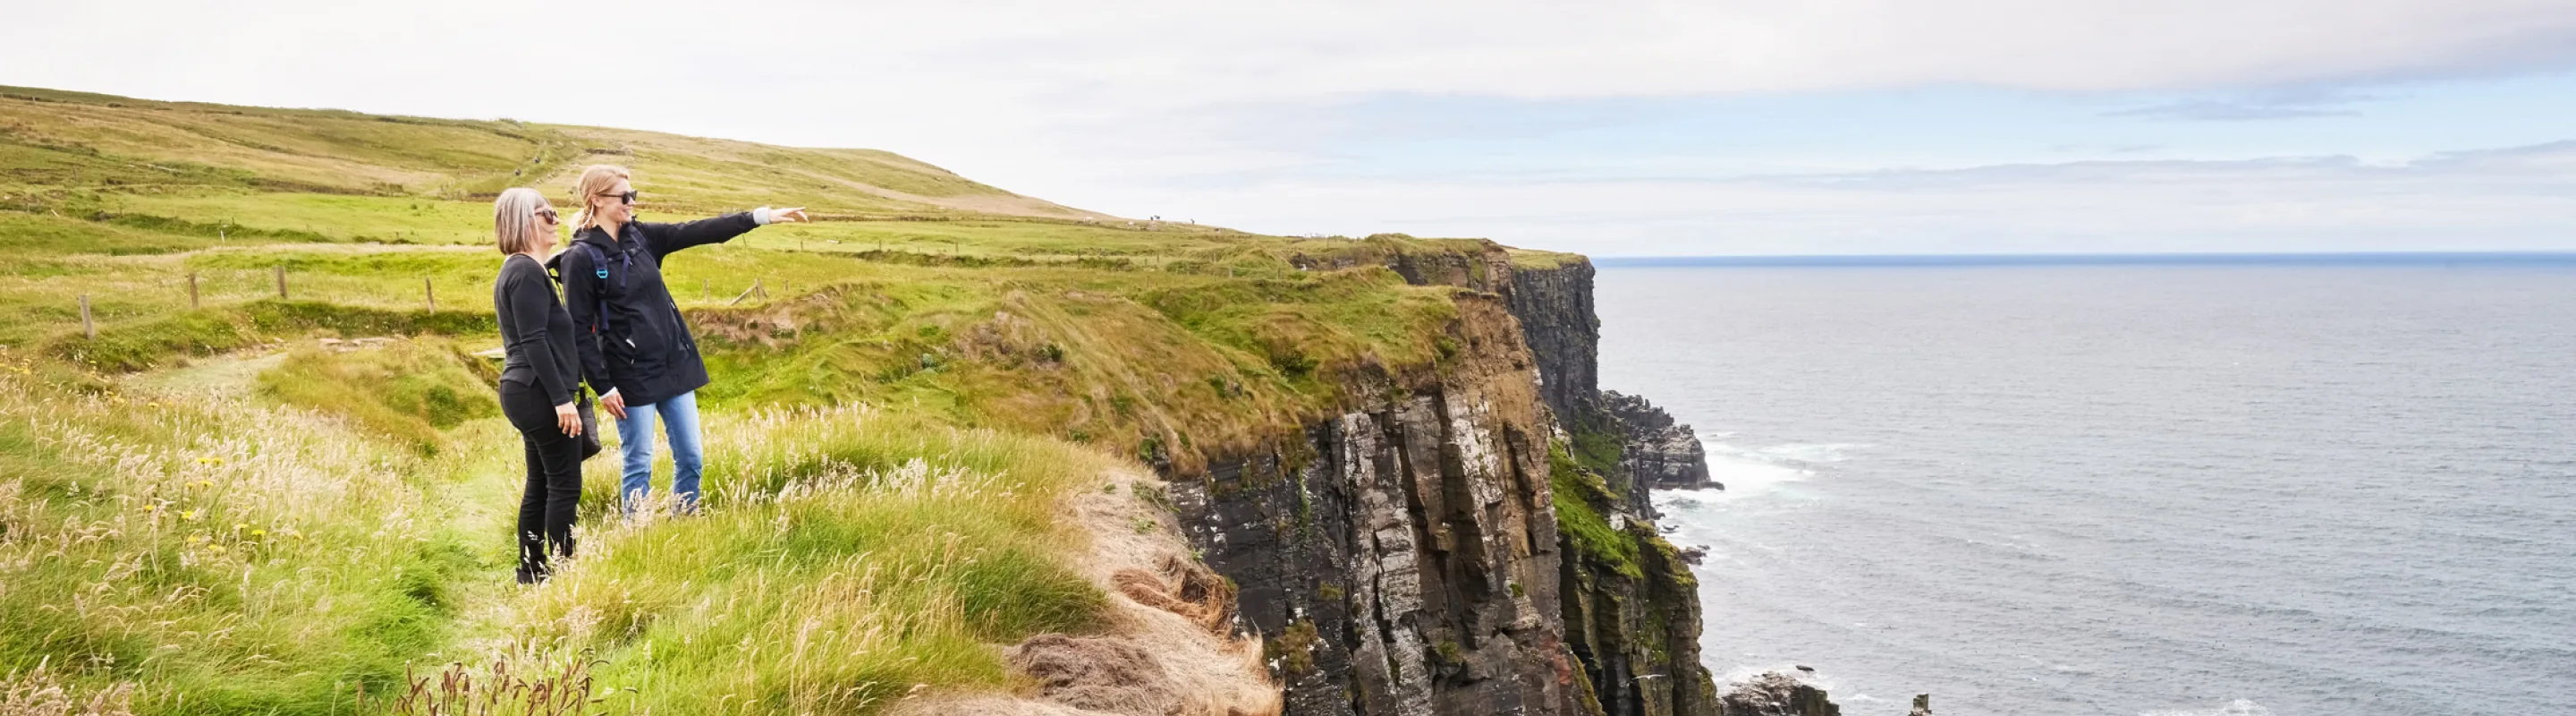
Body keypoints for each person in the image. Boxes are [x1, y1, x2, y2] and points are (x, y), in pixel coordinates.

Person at [555, 165, 805, 516]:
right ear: (596, 200)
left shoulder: (640, 237)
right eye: (624, 196)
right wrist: (604, 387)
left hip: (675, 364)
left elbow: (699, 231)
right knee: (639, 461)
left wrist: (760, 216)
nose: (631, 202)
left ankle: (685, 517)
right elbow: (579, 329)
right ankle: (637, 533)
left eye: (633, 195)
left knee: (691, 455)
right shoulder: (580, 257)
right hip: (630, 376)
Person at [490, 187, 585, 583]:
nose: (556, 220)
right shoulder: (526, 271)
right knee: (564, 484)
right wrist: (563, 400)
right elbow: (534, 340)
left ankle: (532, 569)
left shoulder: (520, 270)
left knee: (542, 482)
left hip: (524, 389)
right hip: (537, 391)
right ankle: (565, 570)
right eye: (547, 214)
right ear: (523, 222)